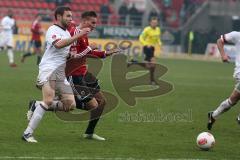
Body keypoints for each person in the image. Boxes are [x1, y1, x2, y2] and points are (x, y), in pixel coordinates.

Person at [22, 6, 91, 143]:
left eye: (71, 16)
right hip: (49, 70)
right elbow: (58, 45)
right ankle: (27, 133)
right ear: (59, 17)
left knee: (70, 105)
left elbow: (64, 52)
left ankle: (36, 105)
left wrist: (72, 54)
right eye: (68, 16)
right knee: (48, 100)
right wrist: (79, 34)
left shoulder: (66, 33)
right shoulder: (53, 30)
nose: (71, 19)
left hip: (60, 73)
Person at [66, 11, 119, 141]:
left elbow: (87, 54)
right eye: (92, 22)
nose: (95, 25)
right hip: (75, 75)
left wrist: (106, 53)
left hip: (85, 74)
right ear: (84, 21)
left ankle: (89, 133)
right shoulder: (74, 34)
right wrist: (90, 48)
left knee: (102, 102)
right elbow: (73, 57)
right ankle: (59, 102)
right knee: (94, 105)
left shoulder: (84, 35)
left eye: (96, 23)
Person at [207, 31, 240, 130]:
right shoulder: (237, 35)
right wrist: (223, 55)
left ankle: (213, 115)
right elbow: (219, 41)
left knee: (233, 100)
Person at [128, 17, 162, 85]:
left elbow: (157, 38)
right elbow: (141, 37)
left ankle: (134, 62)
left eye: (155, 23)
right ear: (150, 23)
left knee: (149, 66)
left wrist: (159, 43)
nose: (154, 24)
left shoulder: (158, 29)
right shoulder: (147, 29)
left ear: (157, 23)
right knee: (153, 64)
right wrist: (146, 44)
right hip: (147, 48)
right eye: (153, 22)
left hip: (152, 48)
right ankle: (152, 81)